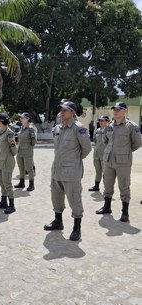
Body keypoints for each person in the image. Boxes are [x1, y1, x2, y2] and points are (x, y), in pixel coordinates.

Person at [44, 101, 91, 241]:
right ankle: (58, 221)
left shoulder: (78, 128)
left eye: (65, 110)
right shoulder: (58, 128)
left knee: (74, 199)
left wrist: (74, 160)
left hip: (71, 172)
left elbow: (86, 149)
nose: (61, 112)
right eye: (61, 110)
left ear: (72, 112)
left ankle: (77, 228)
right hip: (57, 170)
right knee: (56, 197)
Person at [96, 102, 142, 222]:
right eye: (114, 109)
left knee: (124, 186)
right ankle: (107, 207)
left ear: (125, 111)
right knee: (107, 184)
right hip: (109, 161)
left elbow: (137, 143)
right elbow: (105, 141)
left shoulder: (131, 126)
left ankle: (125, 212)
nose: (115, 111)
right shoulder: (109, 126)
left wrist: (125, 151)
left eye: (118, 109)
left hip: (123, 162)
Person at [0, 113, 17, 214]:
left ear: (1, 122)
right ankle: (4, 201)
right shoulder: (0, 132)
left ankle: (12, 205)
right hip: (0, 162)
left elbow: (14, 149)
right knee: (1, 183)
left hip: (7, 162)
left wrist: (7, 156)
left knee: (7, 183)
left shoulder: (9, 133)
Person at [14, 112, 37, 192]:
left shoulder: (30, 129)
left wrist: (28, 147)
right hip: (20, 151)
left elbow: (34, 141)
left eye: (22, 118)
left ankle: (31, 184)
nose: (21, 119)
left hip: (27, 151)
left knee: (29, 168)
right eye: (21, 118)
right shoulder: (22, 128)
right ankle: (22, 182)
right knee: (21, 168)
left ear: (27, 119)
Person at [88, 115, 110, 192]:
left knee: (106, 173)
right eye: (100, 120)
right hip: (97, 155)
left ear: (107, 121)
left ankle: (107, 189)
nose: (100, 122)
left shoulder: (109, 131)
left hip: (105, 155)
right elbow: (95, 141)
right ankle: (96, 186)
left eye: (102, 120)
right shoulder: (98, 130)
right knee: (98, 171)